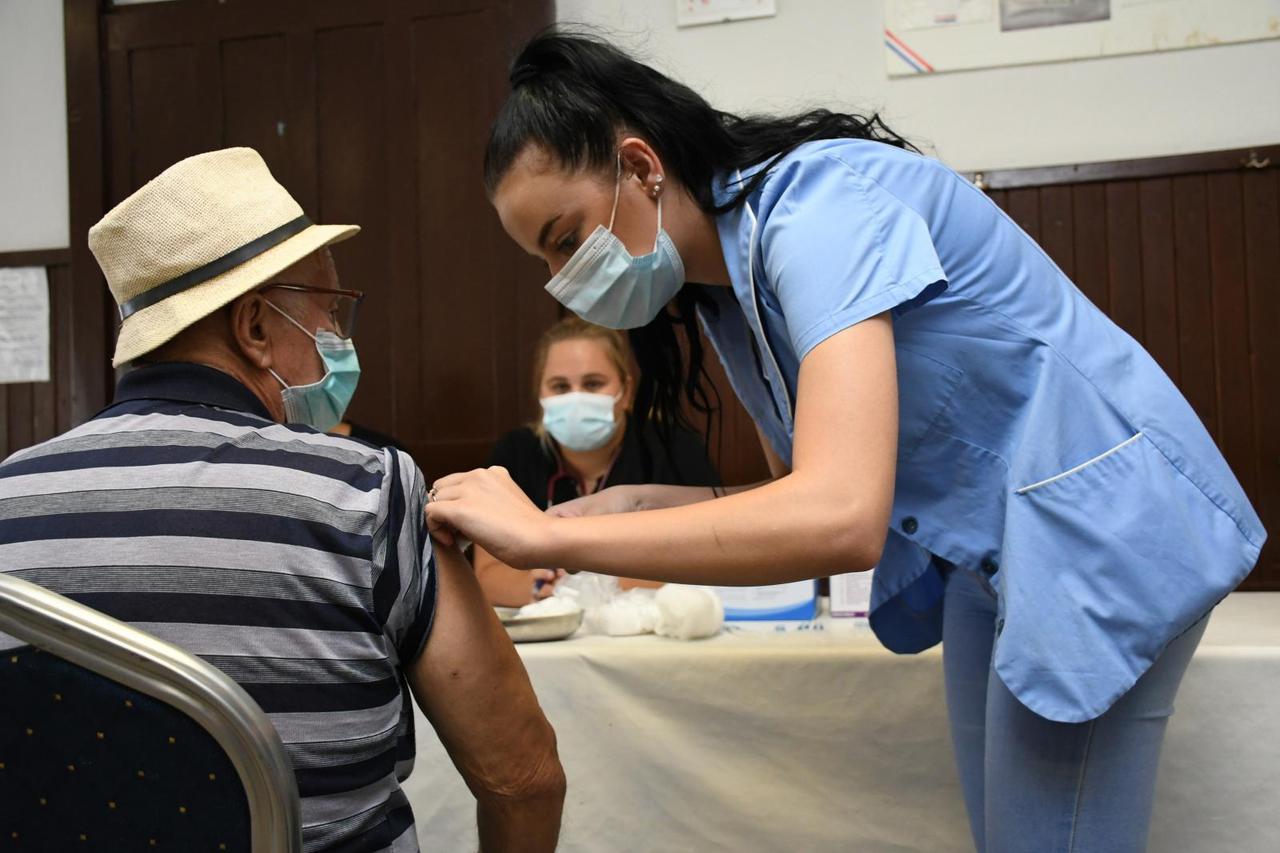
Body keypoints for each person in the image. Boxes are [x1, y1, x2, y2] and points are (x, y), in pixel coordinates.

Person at [423, 31, 1267, 853]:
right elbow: (797, 495)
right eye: (545, 259)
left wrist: (554, 533)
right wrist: (626, 506)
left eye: (566, 238)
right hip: (993, 551)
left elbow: (839, 516)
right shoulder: (727, 293)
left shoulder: (817, 208)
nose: (563, 277)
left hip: (1097, 525)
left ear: (641, 167)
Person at [0, 148, 564, 852]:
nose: (339, 340)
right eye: (330, 312)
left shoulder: (7, 500)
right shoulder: (366, 494)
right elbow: (524, 776)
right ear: (256, 328)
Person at [475, 316, 720, 606]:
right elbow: (487, 577)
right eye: (560, 387)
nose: (576, 397)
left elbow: (711, 555)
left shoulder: (675, 448)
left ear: (626, 392)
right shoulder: (514, 455)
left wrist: (590, 583)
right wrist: (545, 588)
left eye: (593, 384)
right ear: (540, 394)